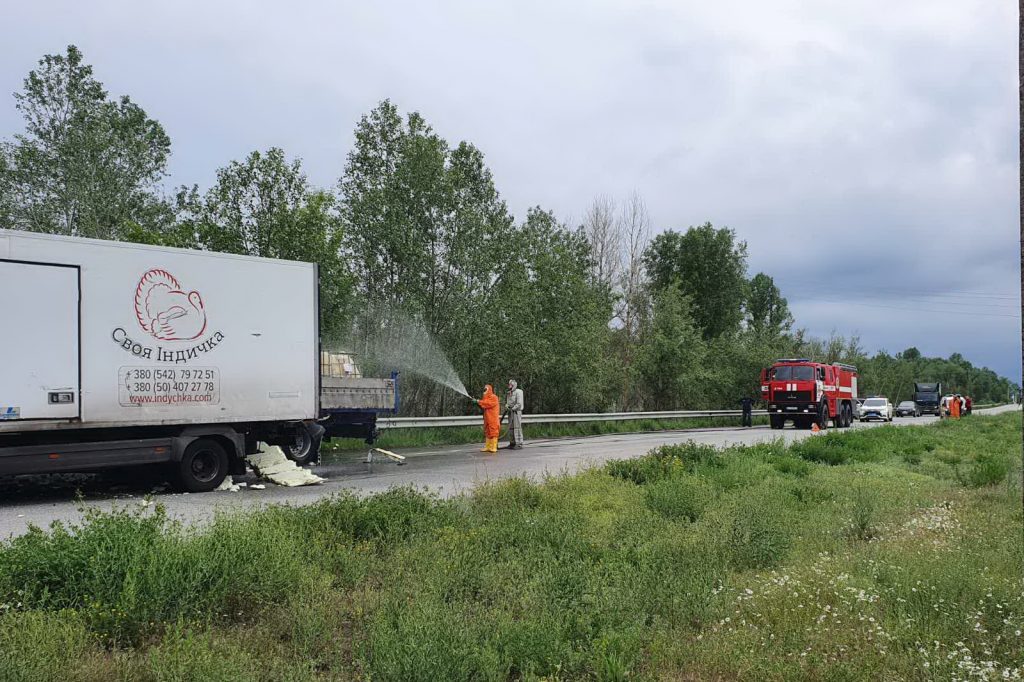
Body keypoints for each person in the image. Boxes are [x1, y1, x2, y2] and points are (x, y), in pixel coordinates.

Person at [476, 384, 500, 453]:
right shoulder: (485, 398)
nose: (484, 390)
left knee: (493, 431)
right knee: (487, 431)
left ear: (489, 389)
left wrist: (478, 401)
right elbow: (484, 404)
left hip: (493, 418)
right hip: (487, 417)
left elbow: (488, 404)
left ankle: (493, 447)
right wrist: (478, 402)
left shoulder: (494, 397)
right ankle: (488, 447)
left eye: (486, 389)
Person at [504, 379, 525, 449]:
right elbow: (508, 402)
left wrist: (513, 408)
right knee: (511, 428)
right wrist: (506, 406)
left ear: (514, 385)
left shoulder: (519, 392)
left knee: (517, 427)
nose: (509, 386)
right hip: (510, 412)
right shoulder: (509, 393)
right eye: (509, 384)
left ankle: (519, 443)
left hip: (516, 412)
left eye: (511, 385)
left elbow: (519, 403)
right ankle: (512, 442)